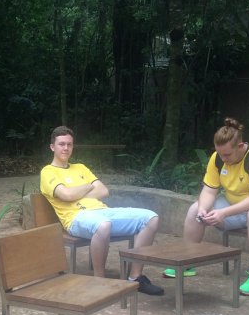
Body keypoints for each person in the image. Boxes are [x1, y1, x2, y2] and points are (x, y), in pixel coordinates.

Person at [169, 118, 249, 295]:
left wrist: (223, 213)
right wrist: (203, 209)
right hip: (238, 208)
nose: (223, 159)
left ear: (240, 146)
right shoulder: (218, 158)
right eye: (219, 154)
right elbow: (209, 190)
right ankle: (187, 262)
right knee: (195, 209)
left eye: (227, 155)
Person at [39, 125, 164, 294]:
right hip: (76, 218)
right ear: (52, 147)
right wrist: (88, 186)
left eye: (69, 144)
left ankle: (135, 277)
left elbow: (103, 191)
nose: (66, 148)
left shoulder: (80, 167)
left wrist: (76, 192)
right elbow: (66, 195)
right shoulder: (48, 172)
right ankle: (99, 281)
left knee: (151, 218)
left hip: (102, 212)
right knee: (103, 225)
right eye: (61, 144)